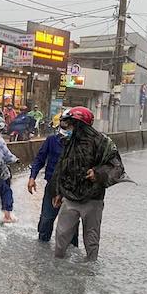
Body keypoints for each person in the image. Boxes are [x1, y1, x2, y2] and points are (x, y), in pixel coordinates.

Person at [52, 107, 128, 262]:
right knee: (60, 239)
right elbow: (62, 167)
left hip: (92, 200)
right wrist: (58, 192)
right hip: (69, 198)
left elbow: (117, 169)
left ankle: (90, 272)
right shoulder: (69, 142)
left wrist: (98, 173)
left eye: (70, 124)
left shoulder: (103, 143)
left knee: (91, 242)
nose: (67, 128)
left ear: (81, 125)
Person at [28, 127, 79, 246]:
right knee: (46, 219)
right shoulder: (51, 141)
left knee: (71, 224)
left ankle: (71, 254)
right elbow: (40, 159)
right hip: (52, 186)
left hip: (72, 189)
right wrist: (32, 177)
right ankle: (41, 248)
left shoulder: (80, 144)